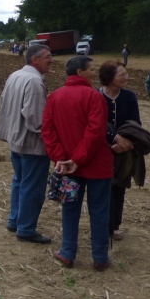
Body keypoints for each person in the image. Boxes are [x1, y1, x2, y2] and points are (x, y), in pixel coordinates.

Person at [41, 56, 113, 271]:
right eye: (92, 69)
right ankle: (100, 258)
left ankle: (67, 253)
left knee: (69, 208)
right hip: (97, 167)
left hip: (67, 170)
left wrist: (62, 159)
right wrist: (77, 159)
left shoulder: (55, 97)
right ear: (80, 72)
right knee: (99, 210)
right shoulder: (94, 97)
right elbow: (96, 132)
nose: (95, 73)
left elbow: (48, 131)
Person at [0, 44, 53, 244]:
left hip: (15, 139)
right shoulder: (35, 81)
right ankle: (26, 229)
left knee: (19, 181)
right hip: (32, 144)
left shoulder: (15, 75)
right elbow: (35, 118)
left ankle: (15, 220)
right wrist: (51, 136)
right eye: (47, 57)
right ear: (35, 60)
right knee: (33, 187)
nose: (51, 60)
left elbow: (3, 102)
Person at [99, 60, 141, 240]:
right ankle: (103, 225)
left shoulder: (130, 96)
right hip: (102, 149)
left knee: (120, 187)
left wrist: (127, 141)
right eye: (121, 75)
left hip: (124, 151)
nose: (126, 77)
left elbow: (135, 123)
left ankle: (115, 225)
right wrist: (111, 143)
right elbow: (96, 124)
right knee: (103, 188)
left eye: (126, 74)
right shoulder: (96, 96)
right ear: (109, 78)